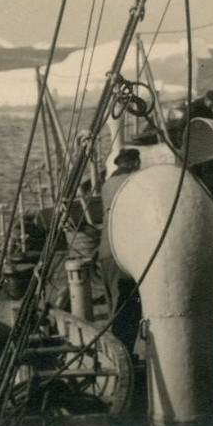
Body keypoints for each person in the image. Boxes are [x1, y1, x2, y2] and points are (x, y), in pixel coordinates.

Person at [97, 148, 143, 349]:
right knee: (127, 308)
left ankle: (117, 354)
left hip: (106, 253)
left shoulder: (108, 185)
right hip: (122, 255)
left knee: (114, 309)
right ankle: (125, 358)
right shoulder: (132, 182)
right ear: (134, 163)